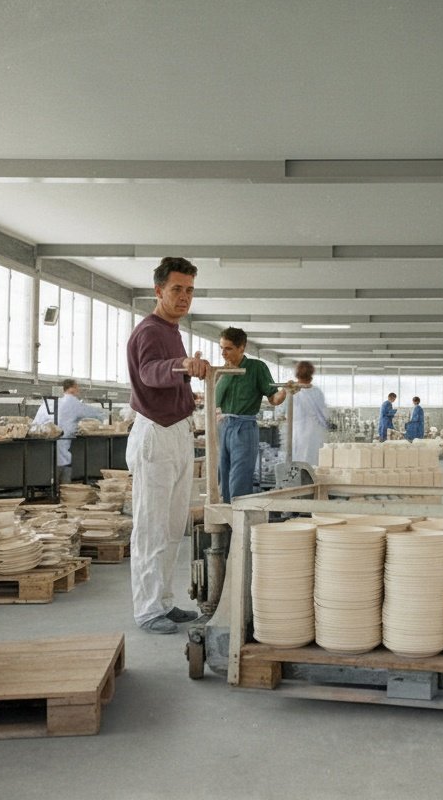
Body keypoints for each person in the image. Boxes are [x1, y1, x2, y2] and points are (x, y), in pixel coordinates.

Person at [125, 257, 208, 634]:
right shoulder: (149, 331)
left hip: (177, 432)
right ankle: (146, 608)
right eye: (177, 289)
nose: (184, 297)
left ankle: (165, 601)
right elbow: (149, 372)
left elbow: (172, 372)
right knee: (151, 526)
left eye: (189, 290)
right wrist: (181, 366)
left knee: (174, 525)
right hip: (156, 433)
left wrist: (186, 376)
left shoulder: (173, 331)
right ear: (158, 290)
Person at [216, 327, 288, 501]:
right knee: (222, 473)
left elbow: (273, 398)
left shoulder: (256, 368)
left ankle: (239, 516)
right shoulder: (223, 372)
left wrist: (285, 391)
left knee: (239, 475)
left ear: (242, 347)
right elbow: (216, 401)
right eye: (221, 348)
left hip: (244, 427)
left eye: (228, 349)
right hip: (224, 426)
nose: (223, 353)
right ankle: (226, 516)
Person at [54, 379, 106, 484]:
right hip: (63, 440)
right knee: (63, 461)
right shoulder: (72, 402)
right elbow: (91, 412)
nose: (79, 389)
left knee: (59, 458)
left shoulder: (59, 401)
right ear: (72, 388)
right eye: (77, 386)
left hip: (55, 440)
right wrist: (107, 414)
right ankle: (64, 489)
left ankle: (58, 489)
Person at [288, 360, 327, 466]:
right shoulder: (317, 392)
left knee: (297, 461)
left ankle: (298, 481)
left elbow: (283, 413)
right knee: (312, 462)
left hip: (296, 432)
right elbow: (323, 415)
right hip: (314, 433)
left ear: (297, 374)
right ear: (311, 374)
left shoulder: (291, 392)